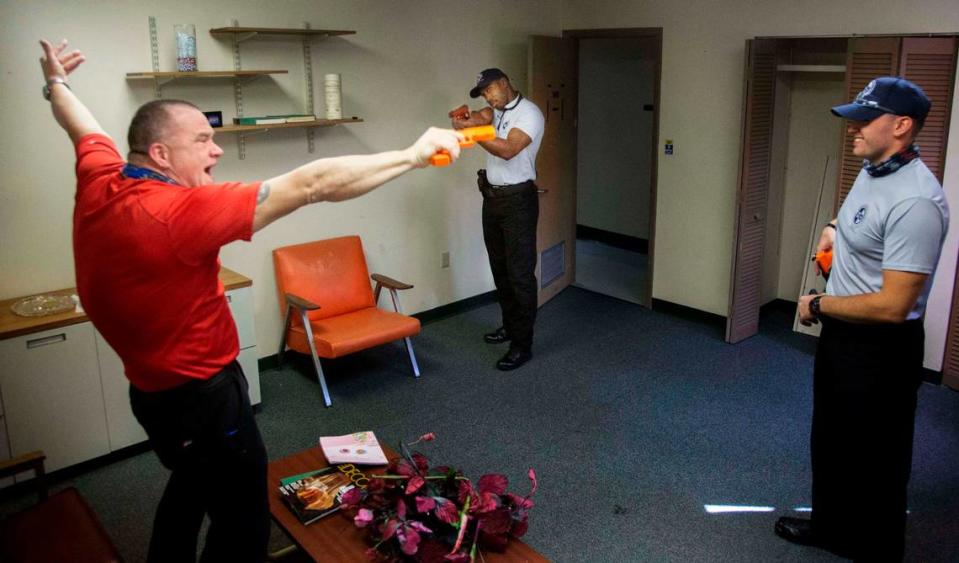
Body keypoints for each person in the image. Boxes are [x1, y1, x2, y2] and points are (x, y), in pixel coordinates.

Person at [38, 38, 461, 562]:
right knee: (242, 519)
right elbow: (314, 183)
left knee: (190, 480)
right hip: (204, 398)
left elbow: (78, 122)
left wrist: (55, 81)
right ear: (162, 154)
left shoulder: (102, 176)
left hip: (151, 397)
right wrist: (413, 155)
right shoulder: (176, 213)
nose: (215, 150)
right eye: (203, 140)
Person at [775, 76, 949, 560]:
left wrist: (818, 304)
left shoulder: (916, 201)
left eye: (864, 119)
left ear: (901, 126)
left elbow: (893, 306)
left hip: (881, 349)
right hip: (843, 339)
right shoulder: (873, 170)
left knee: (878, 458)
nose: (852, 127)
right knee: (831, 441)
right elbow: (856, 214)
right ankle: (831, 528)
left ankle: (876, 547)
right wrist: (833, 229)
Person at [451, 68, 545, 371]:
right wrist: (466, 119)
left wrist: (472, 133)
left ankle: (522, 345)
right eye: (484, 93)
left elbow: (507, 150)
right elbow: (480, 117)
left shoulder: (529, 114)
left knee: (519, 275)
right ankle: (509, 326)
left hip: (518, 202)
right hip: (492, 200)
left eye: (490, 90)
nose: (488, 97)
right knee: (500, 270)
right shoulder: (497, 110)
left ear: (504, 84)